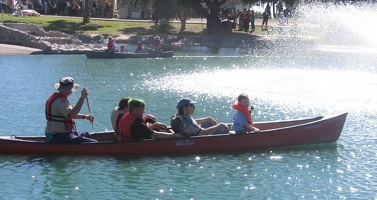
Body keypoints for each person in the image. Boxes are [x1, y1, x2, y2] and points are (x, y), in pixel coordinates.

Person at [45, 77, 97, 143]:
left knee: (88, 135)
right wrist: (82, 97)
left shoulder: (60, 99)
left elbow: (69, 114)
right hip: (57, 136)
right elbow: (72, 114)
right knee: (93, 142)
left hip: (64, 134)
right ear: (70, 90)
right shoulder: (60, 101)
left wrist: (85, 116)